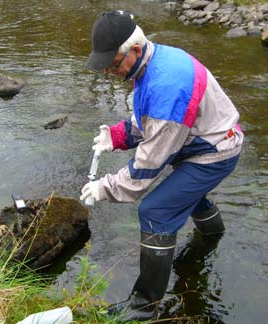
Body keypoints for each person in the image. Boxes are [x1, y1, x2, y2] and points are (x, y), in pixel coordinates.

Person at [80, 10, 244, 322]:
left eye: (113, 64)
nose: (109, 72)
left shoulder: (168, 85)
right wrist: (116, 136)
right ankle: (211, 235)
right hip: (201, 139)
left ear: (135, 51)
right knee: (181, 192)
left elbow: (148, 165)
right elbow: (149, 122)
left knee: (155, 211)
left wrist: (106, 187)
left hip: (215, 150)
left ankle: (144, 307)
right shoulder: (153, 62)